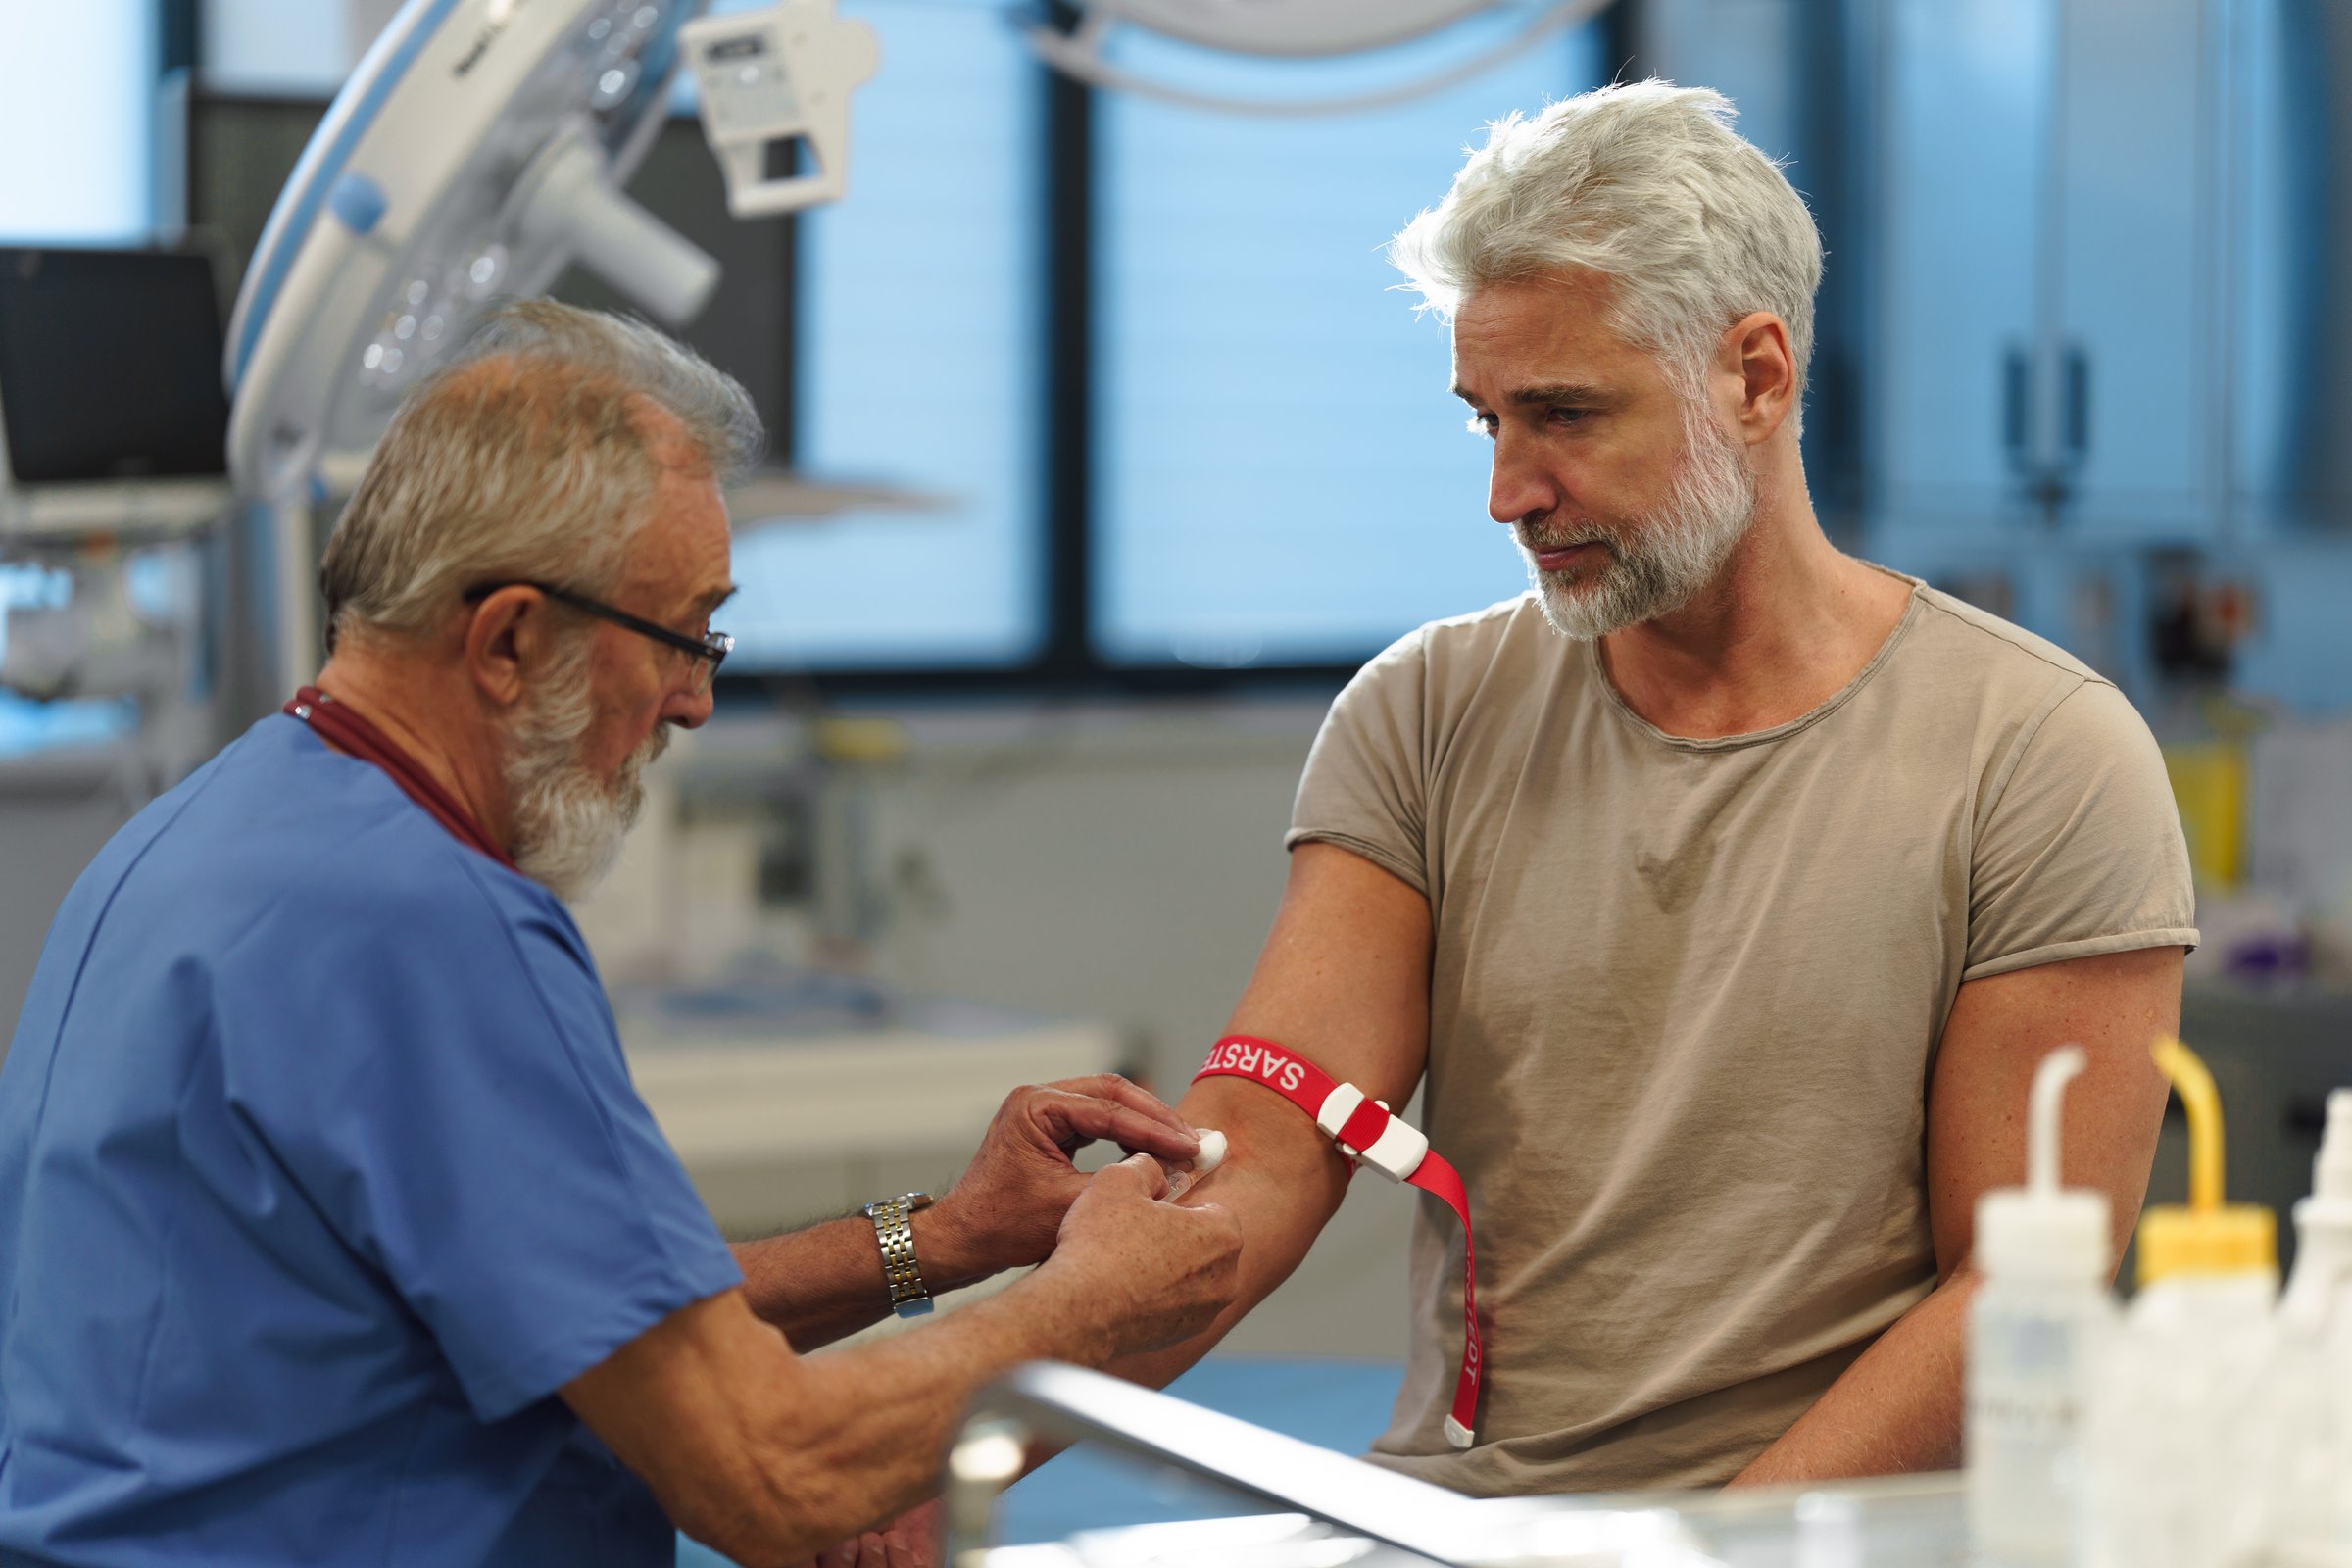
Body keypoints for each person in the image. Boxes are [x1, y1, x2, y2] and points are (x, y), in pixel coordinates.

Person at [0, 300, 1242, 1568]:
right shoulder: (427, 928)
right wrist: (1090, 1312)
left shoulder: (204, 841)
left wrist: (943, 1243)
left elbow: (574, 1312)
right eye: (681, 636)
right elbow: (766, 1472)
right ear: (512, 638)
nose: (698, 699)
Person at [1114, 81, 2198, 1494]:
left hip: (1836, 1536)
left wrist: (1702, 1552)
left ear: (1755, 376)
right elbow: (1265, 1149)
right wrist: (953, 1417)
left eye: (1563, 415)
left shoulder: (2038, 753)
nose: (1510, 492)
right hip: (1472, 1519)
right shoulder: (1425, 713)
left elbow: (2019, 1292)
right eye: (1486, 421)